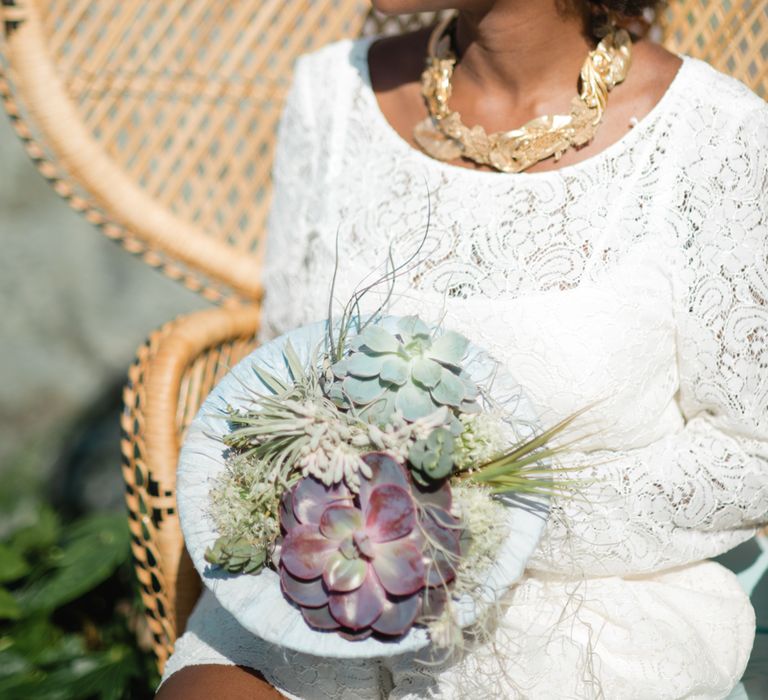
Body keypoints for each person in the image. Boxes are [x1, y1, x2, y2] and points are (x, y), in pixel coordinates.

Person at [157, 0, 768, 697]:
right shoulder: (333, 93)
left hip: (590, 603)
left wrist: (475, 522)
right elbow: (285, 369)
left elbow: (751, 449)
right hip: (328, 571)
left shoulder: (716, 136)